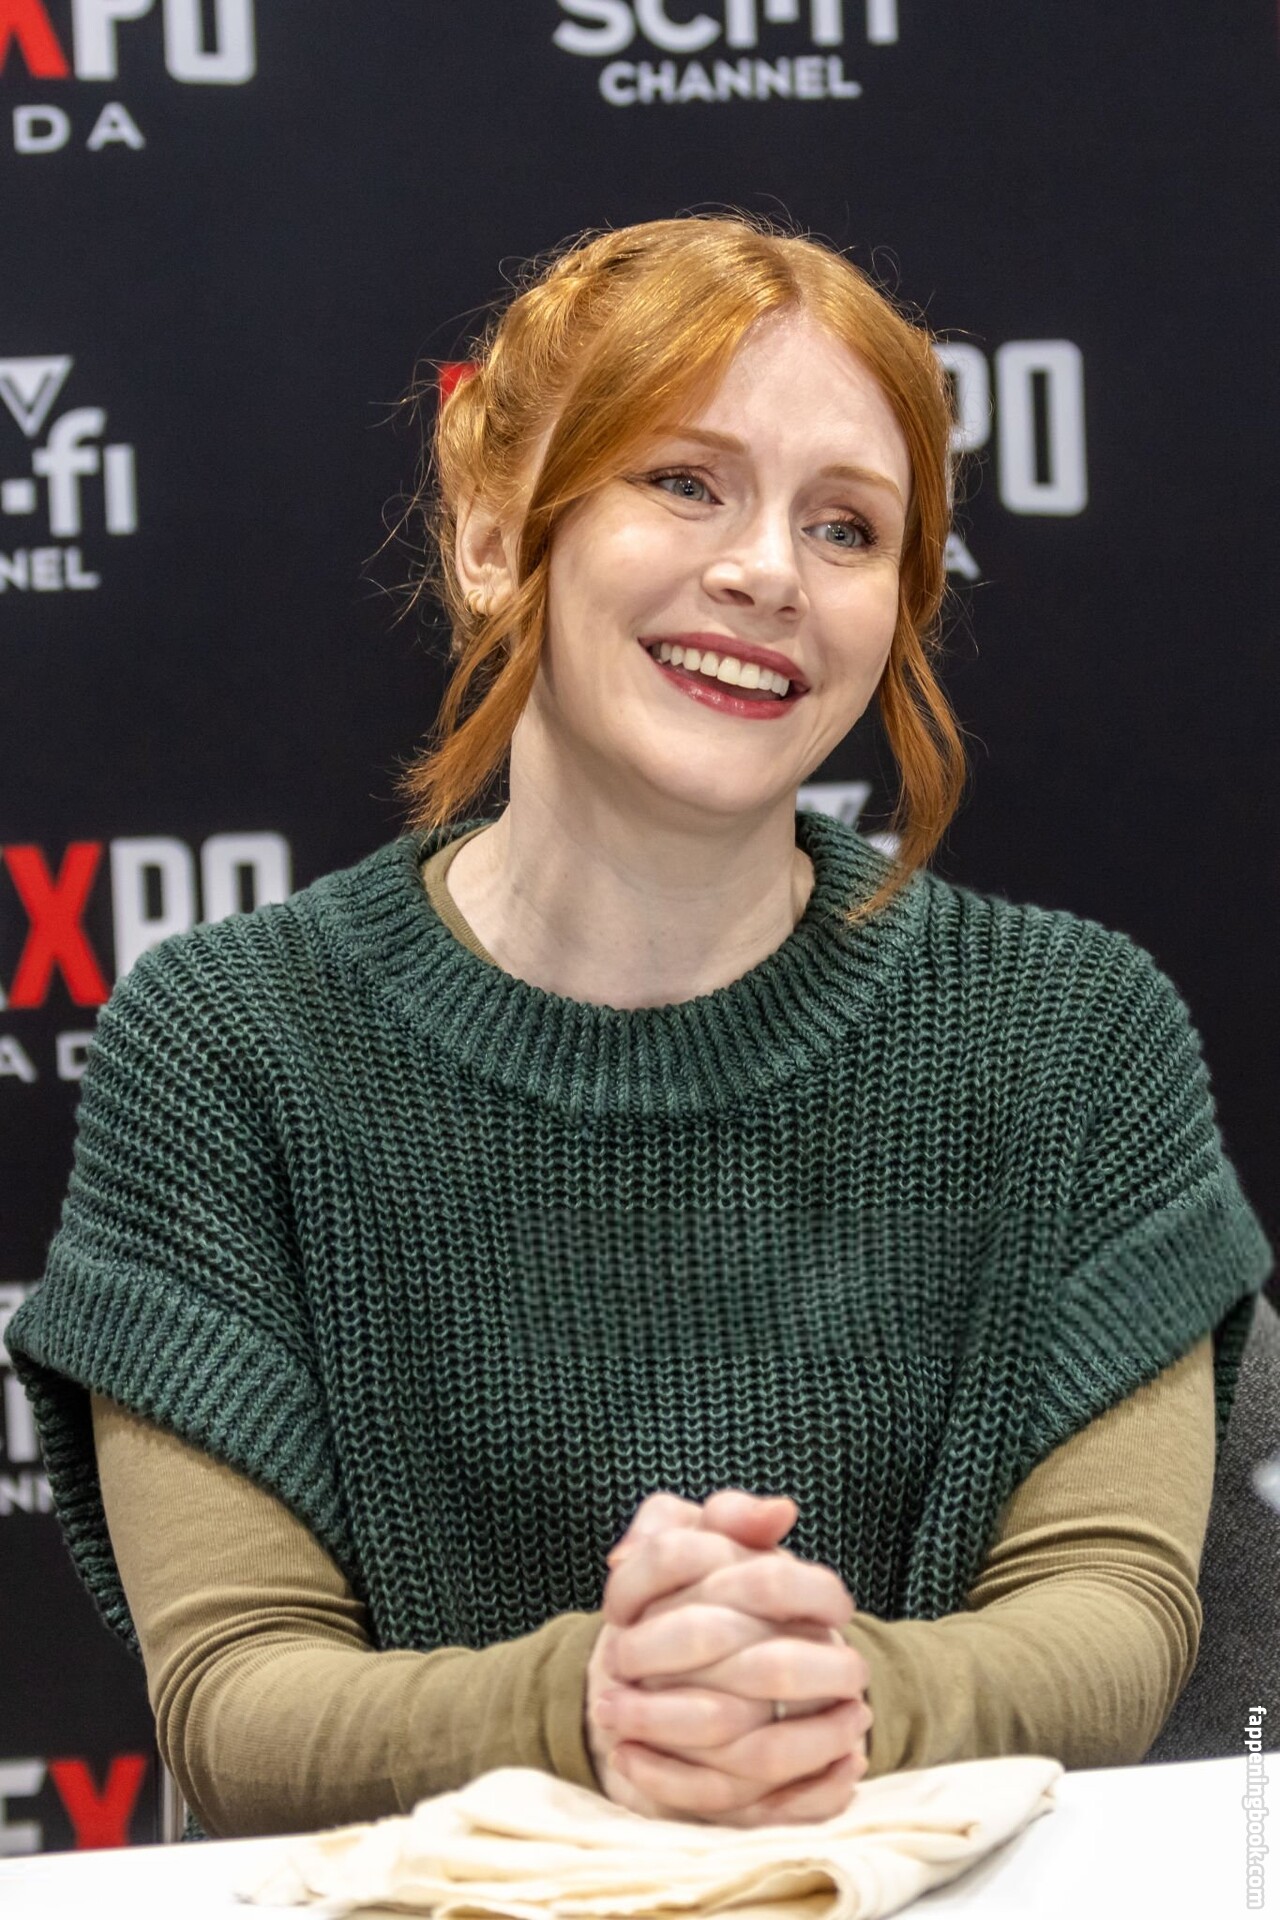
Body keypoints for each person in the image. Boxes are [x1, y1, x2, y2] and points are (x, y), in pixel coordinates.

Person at [6, 212, 1272, 1843]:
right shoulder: (222, 1048)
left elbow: (1114, 1614)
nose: (767, 573)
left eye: (846, 527)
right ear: (491, 538)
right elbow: (240, 1694)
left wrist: (831, 1700)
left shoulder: (1077, 1032)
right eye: (684, 483)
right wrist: (591, 1712)